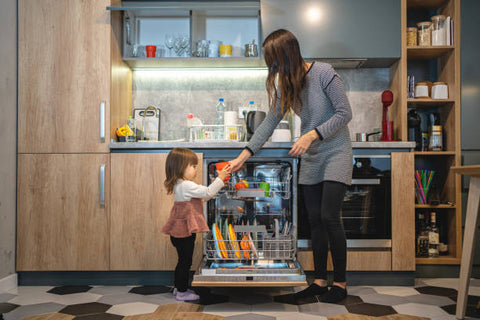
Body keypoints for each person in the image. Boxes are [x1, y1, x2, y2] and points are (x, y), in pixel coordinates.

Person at [229, 29, 352, 303]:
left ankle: (340, 284)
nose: (272, 69)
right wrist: (244, 154)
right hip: (311, 157)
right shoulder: (288, 86)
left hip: (335, 152)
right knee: (315, 221)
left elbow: (345, 113)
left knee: (330, 217)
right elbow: (269, 123)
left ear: (287, 55)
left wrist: (311, 134)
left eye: (274, 62)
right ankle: (320, 281)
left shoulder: (324, 72)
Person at [162, 148, 230, 301]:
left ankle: (178, 288)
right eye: (192, 166)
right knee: (185, 262)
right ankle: (181, 291)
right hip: (184, 232)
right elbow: (207, 193)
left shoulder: (180, 185)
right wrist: (220, 178)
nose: (195, 169)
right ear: (180, 167)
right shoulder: (186, 185)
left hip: (179, 232)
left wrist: (216, 187)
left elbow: (201, 197)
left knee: (182, 261)